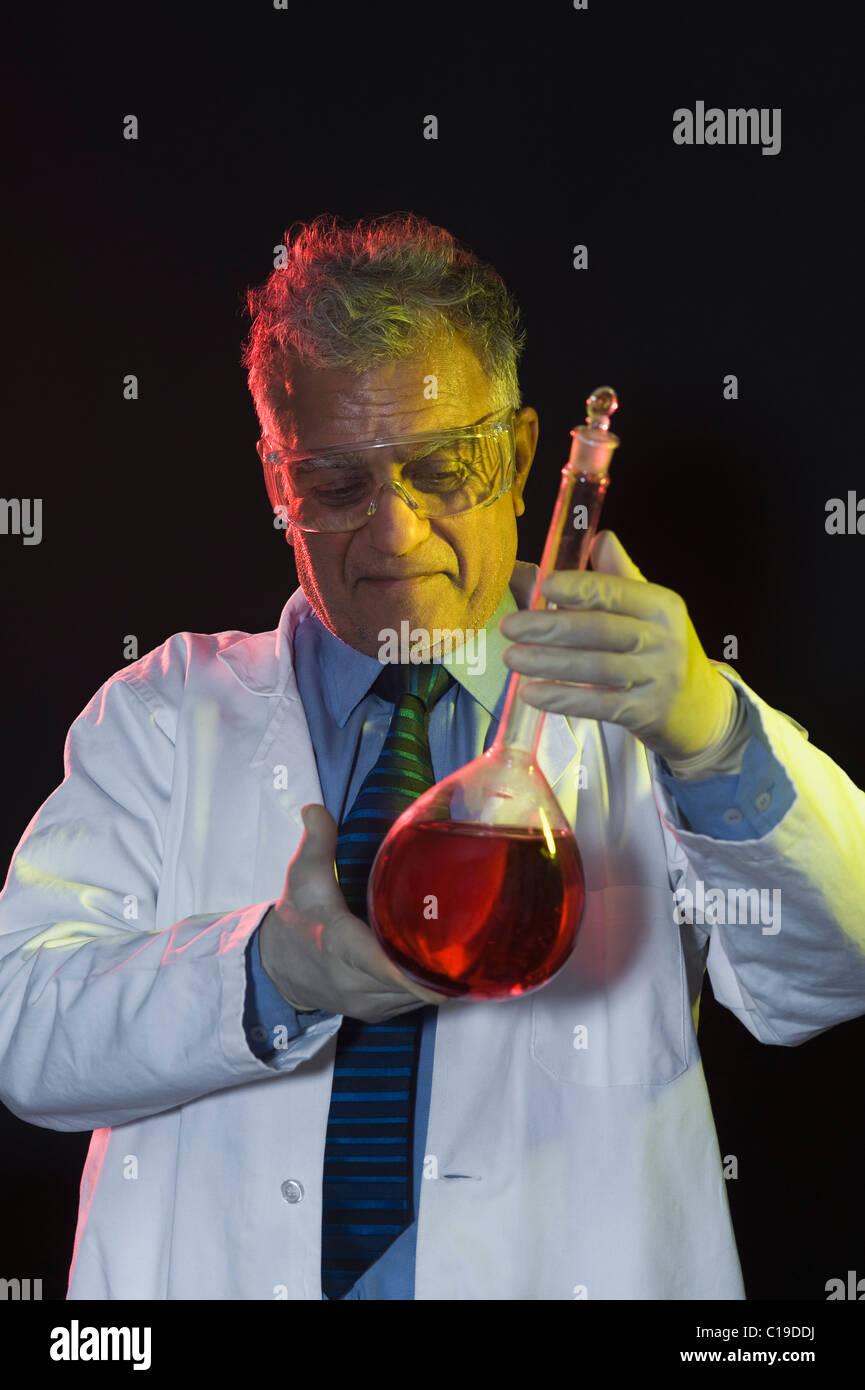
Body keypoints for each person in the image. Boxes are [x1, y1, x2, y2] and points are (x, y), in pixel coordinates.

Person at [1, 212, 864, 1301]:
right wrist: (270, 973)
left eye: (441, 467)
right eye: (335, 483)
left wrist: (707, 725)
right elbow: (20, 1027)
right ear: (276, 482)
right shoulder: (165, 715)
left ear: (517, 457)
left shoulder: (642, 715)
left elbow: (831, 972)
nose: (395, 533)